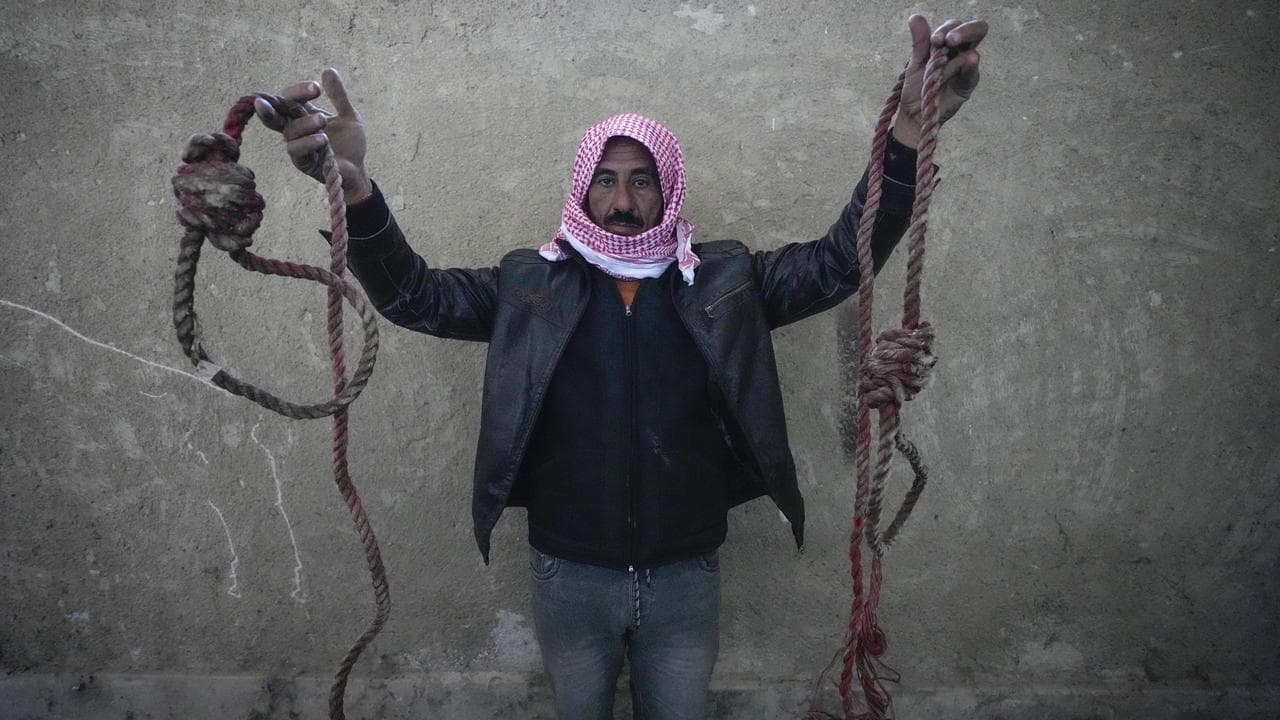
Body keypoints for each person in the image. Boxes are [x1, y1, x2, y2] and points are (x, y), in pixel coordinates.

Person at [255, 14, 985, 720]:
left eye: (641, 181)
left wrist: (911, 135)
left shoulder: (724, 281)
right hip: (568, 573)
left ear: (667, 188)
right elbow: (414, 296)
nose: (623, 201)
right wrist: (353, 186)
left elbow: (835, 265)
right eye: (605, 180)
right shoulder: (528, 286)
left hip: (686, 574)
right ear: (581, 188)